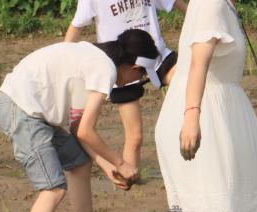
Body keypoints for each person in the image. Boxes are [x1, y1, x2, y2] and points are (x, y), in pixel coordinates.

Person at [137, 0, 257, 212]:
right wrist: (192, 117)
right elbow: (197, 64)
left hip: (225, 113)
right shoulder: (210, 3)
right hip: (205, 117)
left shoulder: (224, 4)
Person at [0, 29, 160, 212]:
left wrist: (107, 166)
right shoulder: (105, 69)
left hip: (27, 108)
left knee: (80, 162)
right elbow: (86, 130)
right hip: (22, 110)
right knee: (54, 188)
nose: (137, 82)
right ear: (134, 68)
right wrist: (121, 163)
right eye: (141, 77)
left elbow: (77, 128)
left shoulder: (95, 58)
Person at [65, 0, 188, 176]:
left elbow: (177, 3)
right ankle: (129, 178)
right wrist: (65, 60)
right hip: (123, 67)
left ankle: (196, 152)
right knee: (135, 137)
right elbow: (77, 25)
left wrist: (203, 23)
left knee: (190, 85)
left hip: (156, 55)